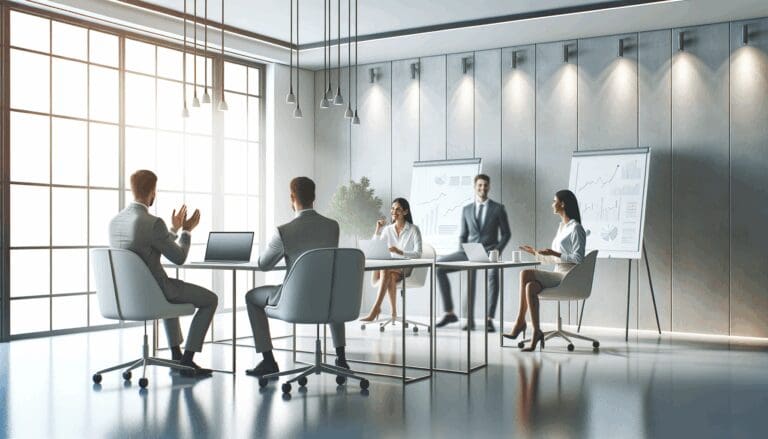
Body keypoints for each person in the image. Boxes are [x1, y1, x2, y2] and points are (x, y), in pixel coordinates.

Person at [109, 170, 218, 377]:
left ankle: (176, 356)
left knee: (173, 294)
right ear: (152, 191)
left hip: (125, 296)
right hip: (155, 293)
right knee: (210, 299)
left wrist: (173, 229)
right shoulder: (152, 223)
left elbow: (147, 244)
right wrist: (186, 231)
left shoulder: (114, 223)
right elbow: (179, 258)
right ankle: (187, 360)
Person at [244, 177, 345, 378]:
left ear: (292, 197)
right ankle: (341, 358)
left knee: (251, 297)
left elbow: (264, 264)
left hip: (295, 302)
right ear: (314, 197)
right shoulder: (333, 226)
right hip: (328, 301)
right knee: (330, 289)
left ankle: (268, 361)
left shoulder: (284, 231)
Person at [503, 189, 586, 351]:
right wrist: (535, 252)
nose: (552, 204)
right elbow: (556, 258)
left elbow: (579, 259)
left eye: (554, 201)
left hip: (568, 277)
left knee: (525, 273)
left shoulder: (576, 228)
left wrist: (555, 252)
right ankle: (536, 332)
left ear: (562, 204)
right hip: (557, 273)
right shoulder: (562, 227)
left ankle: (520, 322)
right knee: (530, 287)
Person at [435, 174, 511, 332]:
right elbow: (463, 234)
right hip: (469, 251)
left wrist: (497, 250)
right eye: (480, 185)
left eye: (485, 185)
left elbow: (506, 234)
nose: (482, 188)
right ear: (475, 187)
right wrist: (462, 250)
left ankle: (489, 319)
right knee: (439, 268)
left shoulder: (498, 208)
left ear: (489, 187)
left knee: (492, 277)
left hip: (491, 251)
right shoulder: (466, 209)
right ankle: (451, 313)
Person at [360, 198, 423, 322]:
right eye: (393, 209)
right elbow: (375, 248)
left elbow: (418, 253)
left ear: (405, 212)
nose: (394, 211)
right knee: (390, 275)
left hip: (405, 267)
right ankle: (394, 312)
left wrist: (400, 252)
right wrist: (377, 230)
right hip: (390, 266)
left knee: (386, 270)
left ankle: (376, 308)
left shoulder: (413, 229)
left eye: (398, 209)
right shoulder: (388, 229)